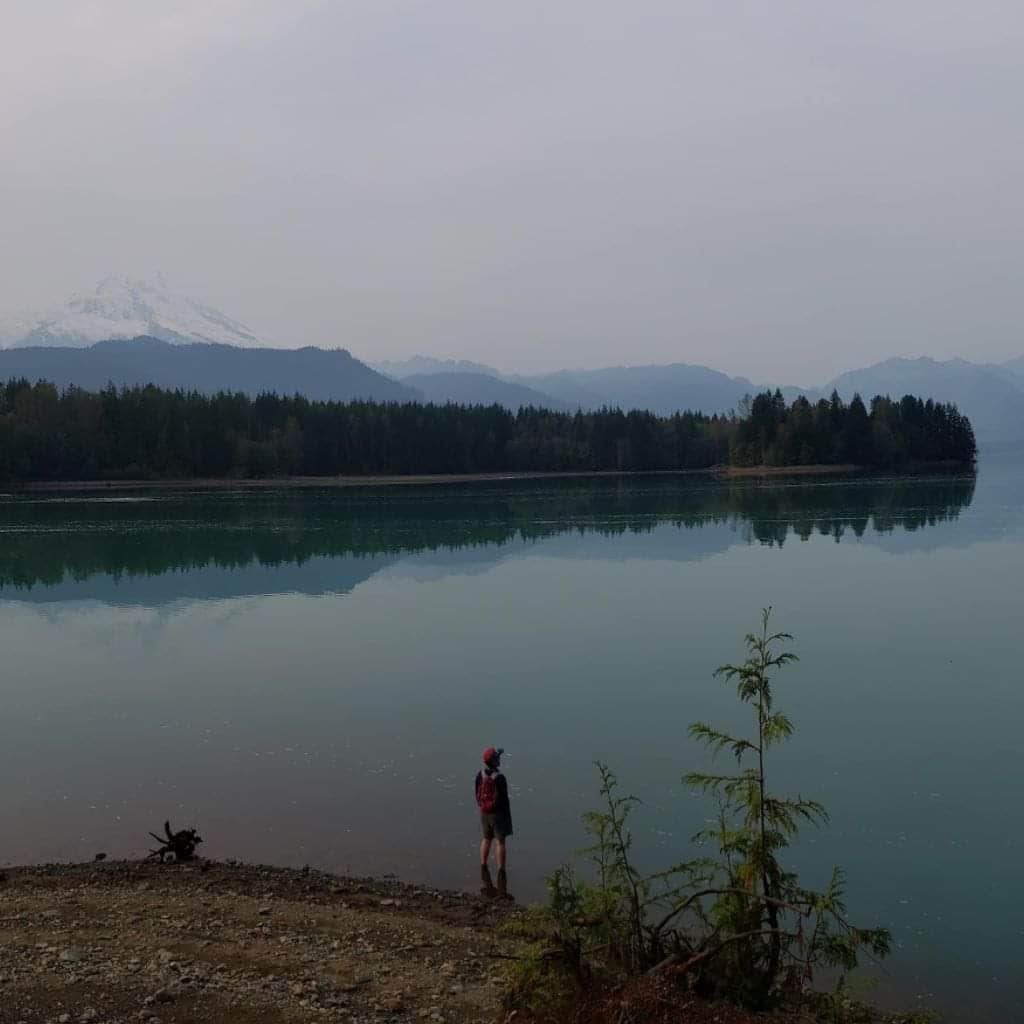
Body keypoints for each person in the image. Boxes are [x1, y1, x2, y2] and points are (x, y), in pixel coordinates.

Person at [475, 746, 512, 898]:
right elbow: (504, 799)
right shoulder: (500, 778)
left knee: (486, 838)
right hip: (498, 814)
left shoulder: (480, 774)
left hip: (484, 812)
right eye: (498, 757)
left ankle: (483, 865)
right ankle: (501, 870)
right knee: (500, 842)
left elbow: (476, 793)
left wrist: (484, 807)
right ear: (494, 761)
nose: (500, 758)